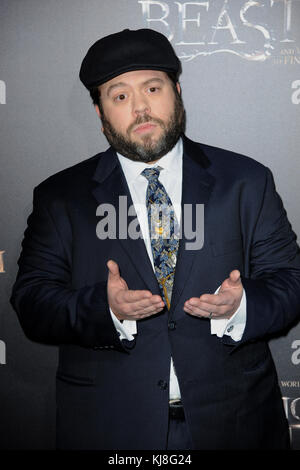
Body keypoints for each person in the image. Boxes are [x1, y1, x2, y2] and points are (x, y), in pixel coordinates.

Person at [10, 28, 300, 450]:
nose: (141, 107)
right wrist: (104, 309)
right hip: (110, 428)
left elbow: (290, 283)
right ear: (99, 111)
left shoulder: (246, 181)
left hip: (236, 425)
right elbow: (32, 302)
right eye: (120, 95)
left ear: (177, 91)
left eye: (152, 87)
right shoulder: (60, 197)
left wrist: (241, 306)